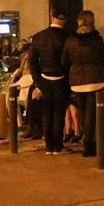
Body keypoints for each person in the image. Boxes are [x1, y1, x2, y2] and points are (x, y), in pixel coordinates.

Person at [65, 10, 104, 157]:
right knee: (91, 113)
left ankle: (87, 140)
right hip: (94, 79)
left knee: (83, 112)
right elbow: (103, 58)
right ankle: (89, 143)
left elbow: (64, 59)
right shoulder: (97, 40)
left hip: (76, 81)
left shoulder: (71, 40)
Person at [28, 10, 71, 154]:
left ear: (52, 18)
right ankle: (57, 146)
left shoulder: (39, 37)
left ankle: (49, 146)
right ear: (64, 21)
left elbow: (32, 61)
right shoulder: (67, 37)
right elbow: (68, 61)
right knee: (59, 114)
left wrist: (38, 80)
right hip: (61, 80)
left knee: (47, 113)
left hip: (45, 79)